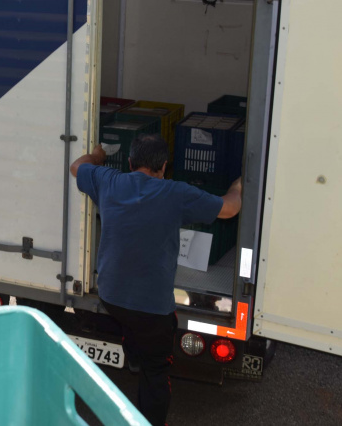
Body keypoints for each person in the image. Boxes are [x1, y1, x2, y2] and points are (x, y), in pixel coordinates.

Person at [70, 133, 242, 426]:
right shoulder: (176, 193)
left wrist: (98, 153)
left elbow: (77, 166)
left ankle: (133, 354)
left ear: (128, 162)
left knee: (132, 325)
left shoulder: (108, 181)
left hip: (111, 296)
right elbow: (230, 208)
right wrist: (239, 186)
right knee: (156, 372)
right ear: (164, 166)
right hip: (152, 308)